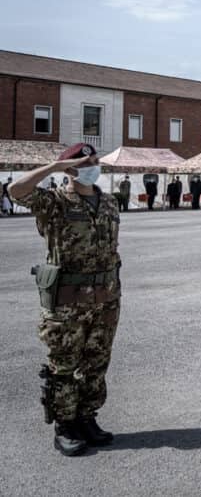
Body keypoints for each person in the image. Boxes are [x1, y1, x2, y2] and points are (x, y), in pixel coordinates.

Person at [8, 143, 122, 456]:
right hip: (68, 302)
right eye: (86, 162)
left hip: (106, 298)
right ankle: (65, 425)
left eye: (95, 161)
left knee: (96, 362)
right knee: (64, 366)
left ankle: (87, 418)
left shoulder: (109, 202)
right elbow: (16, 191)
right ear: (69, 169)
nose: (93, 166)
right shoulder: (54, 202)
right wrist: (52, 168)